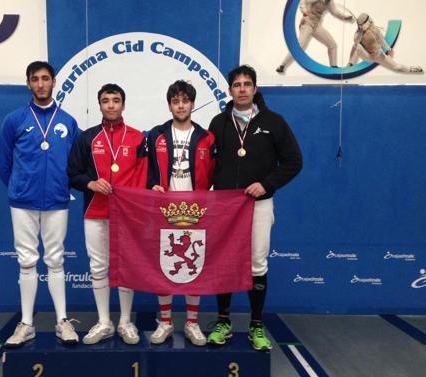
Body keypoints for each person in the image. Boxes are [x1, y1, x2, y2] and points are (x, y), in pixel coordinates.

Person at [207, 65, 302, 351]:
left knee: (257, 264)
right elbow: (209, 165)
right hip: (225, 206)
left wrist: (267, 184)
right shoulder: (218, 123)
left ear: (255, 88)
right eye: (237, 85)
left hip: (258, 203)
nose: (243, 89)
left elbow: (293, 162)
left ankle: (256, 325)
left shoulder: (274, 122)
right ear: (230, 90)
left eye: (248, 84)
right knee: (223, 261)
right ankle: (223, 322)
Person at [0, 61, 81, 347]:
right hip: (22, 201)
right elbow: (3, 164)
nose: (41, 84)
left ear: (54, 82)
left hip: (57, 200)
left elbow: (75, 163)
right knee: (27, 261)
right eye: (35, 79)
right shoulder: (14, 120)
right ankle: (27, 324)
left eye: (46, 79)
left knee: (55, 259)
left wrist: (59, 185)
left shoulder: (68, 121)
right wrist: (21, 186)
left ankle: (61, 321)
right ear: (28, 83)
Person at [67, 84, 148, 345]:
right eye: (106, 101)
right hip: (95, 211)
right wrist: (90, 184)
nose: (111, 105)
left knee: (126, 266)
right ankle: (104, 322)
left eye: (116, 100)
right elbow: (73, 173)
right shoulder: (87, 138)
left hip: (127, 214)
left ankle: (125, 321)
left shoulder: (138, 138)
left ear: (124, 104)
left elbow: (146, 177)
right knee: (98, 266)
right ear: (100, 105)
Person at [146, 80, 216, 346]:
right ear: (169, 105)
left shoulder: (207, 137)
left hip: (196, 210)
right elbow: (148, 169)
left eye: (185, 100)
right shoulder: (157, 135)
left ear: (192, 104)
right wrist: (151, 184)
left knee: (194, 265)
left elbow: (214, 172)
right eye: (175, 101)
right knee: (165, 265)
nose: (181, 105)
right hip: (164, 209)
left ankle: (192, 322)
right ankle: (165, 322)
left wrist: (205, 193)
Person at [276, 0, 353, 73]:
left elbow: (335, 12)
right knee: (299, 46)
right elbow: (304, 2)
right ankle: (282, 65)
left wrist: (346, 18)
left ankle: (333, 67)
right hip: (307, 23)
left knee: (332, 44)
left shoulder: (329, 1)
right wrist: (304, 11)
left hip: (316, 25)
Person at [347, 13, 423, 73]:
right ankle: (350, 65)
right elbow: (356, 41)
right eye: (366, 22)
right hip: (368, 56)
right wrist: (360, 32)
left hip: (379, 56)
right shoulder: (358, 34)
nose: (369, 22)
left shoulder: (374, 29)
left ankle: (414, 69)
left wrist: (389, 49)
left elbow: (382, 41)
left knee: (397, 67)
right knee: (356, 46)